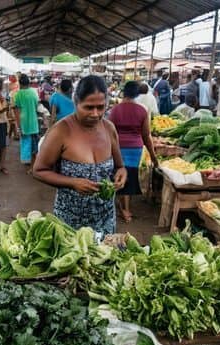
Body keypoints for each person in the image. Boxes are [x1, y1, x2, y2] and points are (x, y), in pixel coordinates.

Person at [33, 75, 127, 236]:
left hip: (105, 218)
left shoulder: (109, 128)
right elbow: (39, 170)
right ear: (76, 102)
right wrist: (72, 183)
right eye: (89, 107)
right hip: (70, 219)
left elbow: (120, 166)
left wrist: (121, 174)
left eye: (101, 107)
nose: (96, 114)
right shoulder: (61, 131)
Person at [109, 81, 158, 223]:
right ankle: (126, 209)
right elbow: (146, 135)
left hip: (118, 148)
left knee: (118, 173)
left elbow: (110, 132)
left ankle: (124, 207)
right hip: (135, 149)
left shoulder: (115, 110)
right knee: (130, 176)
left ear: (124, 92)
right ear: (137, 94)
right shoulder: (142, 111)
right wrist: (153, 156)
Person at [13, 74, 40, 173]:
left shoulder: (18, 94)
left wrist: (18, 126)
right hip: (33, 122)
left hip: (24, 122)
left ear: (20, 83)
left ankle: (28, 163)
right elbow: (37, 106)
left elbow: (17, 111)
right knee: (34, 145)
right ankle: (34, 165)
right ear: (28, 83)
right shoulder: (34, 92)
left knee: (25, 143)